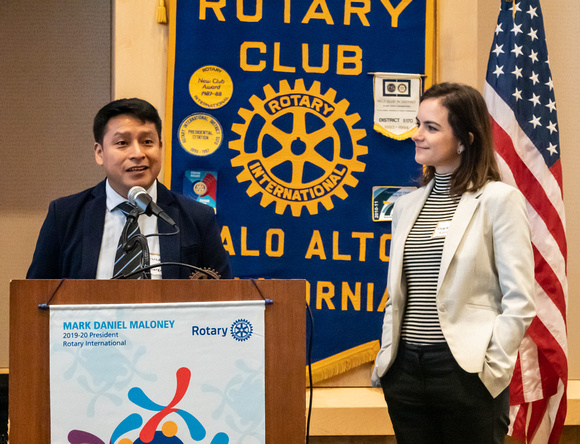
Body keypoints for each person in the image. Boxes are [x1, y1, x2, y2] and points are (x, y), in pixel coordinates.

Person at [372, 82, 536, 443]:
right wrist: (389, 362)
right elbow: (398, 295)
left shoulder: (499, 201)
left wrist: (491, 369)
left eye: (431, 127)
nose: (417, 135)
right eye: (418, 124)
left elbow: (520, 299)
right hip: (405, 374)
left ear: (464, 139)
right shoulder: (405, 206)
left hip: (467, 373)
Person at [27, 98, 231, 280]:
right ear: (100, 153)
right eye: (122, 143)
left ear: (160, 147)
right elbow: (36, 298)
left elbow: (223, 300)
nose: (137, 153)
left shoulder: (197, 217)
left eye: (147, 142)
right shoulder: (64, 215)